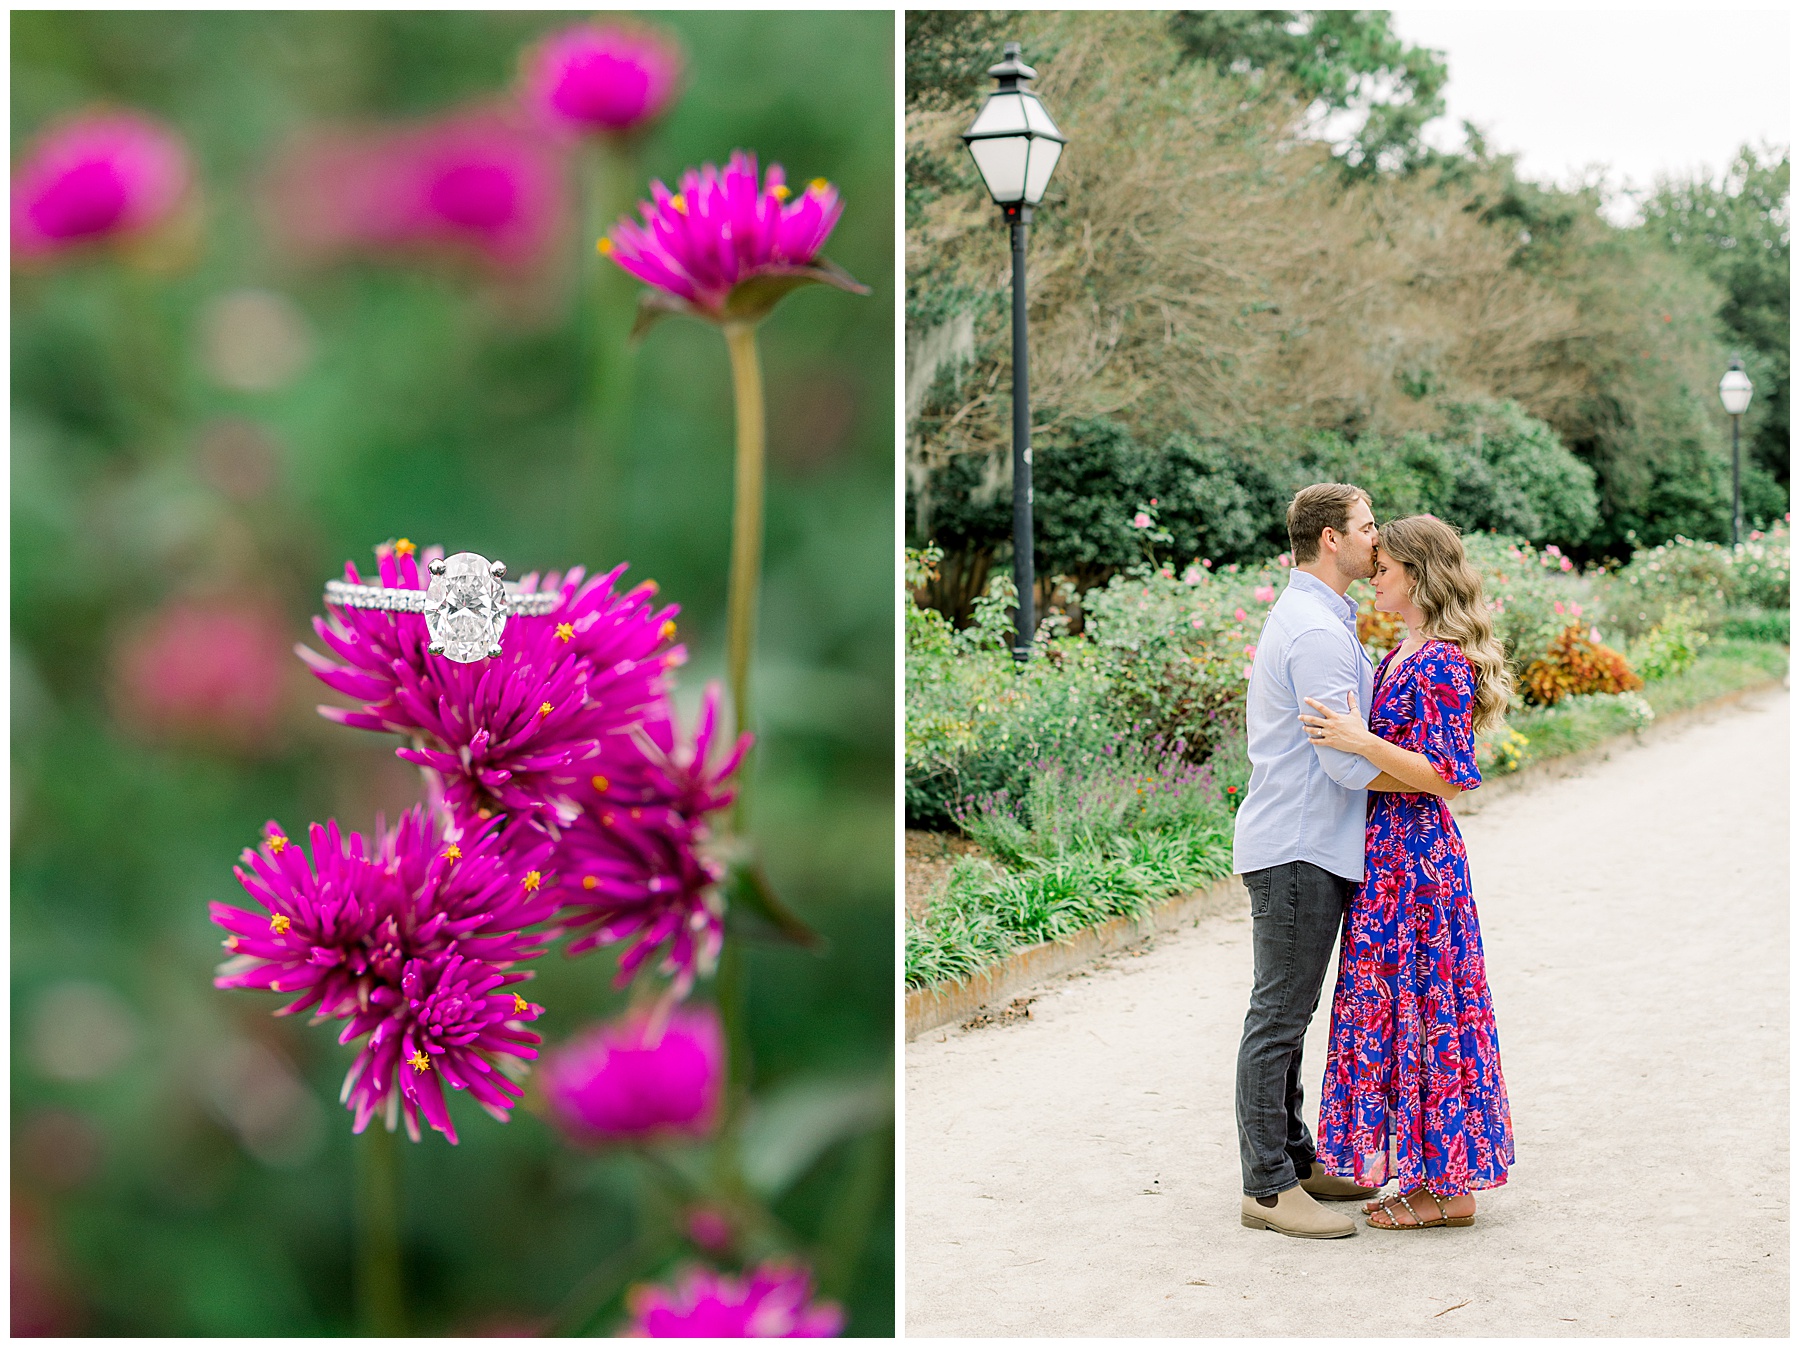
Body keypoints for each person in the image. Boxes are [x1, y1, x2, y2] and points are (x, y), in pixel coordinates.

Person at [1299, 513, 1515, 1230]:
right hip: (1391, 858)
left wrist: (1361, 746)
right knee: (1402, 1017)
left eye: (1385, 564)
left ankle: (1447, 1192)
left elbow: (1447, 775)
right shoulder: (1404, 650)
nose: (1374, 571)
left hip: (1419, 865)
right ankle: (1436, 1182)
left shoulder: (1443, 659)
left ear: (1418, 573)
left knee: (1426, 1016)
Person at [1232, 483, 1388, 1240]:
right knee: (1279, 1016)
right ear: (1330, 539)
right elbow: (1347, 765)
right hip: (1298, 844)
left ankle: (1293, 1161)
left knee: (1291, 1015)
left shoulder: (1320, 618)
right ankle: (1266, 1188)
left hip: (1307, 842)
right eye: (1366, 527)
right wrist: (1432, 772)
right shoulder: (1316, 632)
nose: (1376, 539)